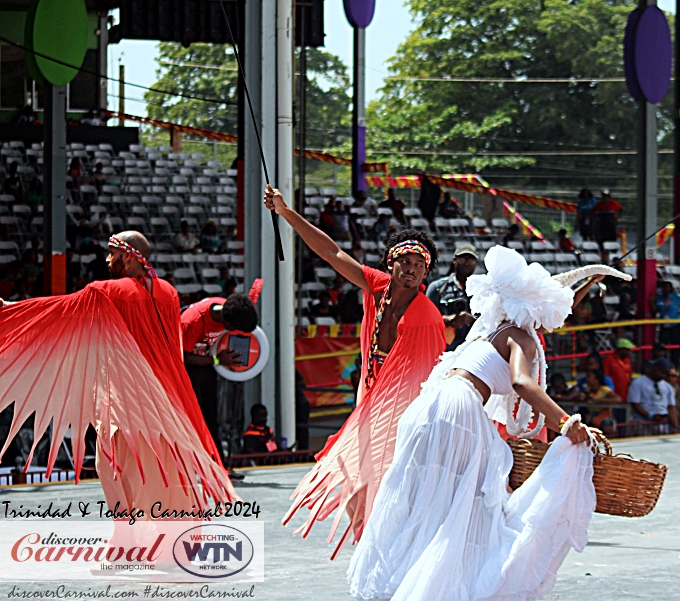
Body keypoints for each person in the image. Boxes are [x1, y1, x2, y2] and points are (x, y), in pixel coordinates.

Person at [346, 245, 597, 601]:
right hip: (459, 411)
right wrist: (566, 421)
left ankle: (403, 599)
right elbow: (520, 381)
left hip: (429, 406)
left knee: (425, 500)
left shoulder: (491, 331)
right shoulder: (522, 340)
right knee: (472, 508)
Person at [264, 188, 447, 569]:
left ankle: (388, 560)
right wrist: (286, 213)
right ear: (391, 264)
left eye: (419, 264)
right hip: (370, 392)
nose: (411, 269)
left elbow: (430, 375)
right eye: (405, 261)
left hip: (402, 404)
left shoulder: (427, 316)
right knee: (351, 472)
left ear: (426, 272)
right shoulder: (376, 286)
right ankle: (372, 547)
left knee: (381, 476)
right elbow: (331, 252)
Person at [0, 231, 235, 522]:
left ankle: (130, 540)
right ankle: (166, 537)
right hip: (167, 399)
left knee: (115, 467)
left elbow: (60, 311)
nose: (108, 259)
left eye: (112, 253)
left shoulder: (107, 291)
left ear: (128, 256)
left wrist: (12, 310)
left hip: (126, 399)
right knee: (160, 468)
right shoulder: (170, 293)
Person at [180, 291, 259, 478]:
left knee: (211, 419)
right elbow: (180, 356)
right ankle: (191, 468)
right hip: (186, 369)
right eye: (232, 329)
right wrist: (216, 359)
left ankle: (220, 468)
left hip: (207, 366)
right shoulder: (192, 321)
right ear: (228, 322)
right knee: (193, 420)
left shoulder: (228, 307)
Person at [425, 243, 479, 350]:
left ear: (476, 263)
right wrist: (446, 320)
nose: (466, 264)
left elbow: (491, 324)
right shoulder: (437, 288)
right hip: (443, 351)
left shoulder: (483, 291)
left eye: (470, 260)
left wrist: (472, 320)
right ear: (454, 260)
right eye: (462, 259)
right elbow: (425, 321)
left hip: (473, 351)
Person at [627, 358, 677, 435]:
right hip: (643, 424)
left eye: (665, 373)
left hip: (663, 425)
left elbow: (671, 407)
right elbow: (635, 404)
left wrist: (675, 426)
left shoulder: (667, 386)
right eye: (661, 372)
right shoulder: (638, 383)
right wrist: (650, 416)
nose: (663, 376)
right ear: (654, 368)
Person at [653, 280, 680, 364]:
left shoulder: (675, 298)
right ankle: (663, 363)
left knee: (676, 346)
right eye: (663, 287)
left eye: (667, 287)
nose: (664, 289)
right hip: (664, 325)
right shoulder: (658, 299)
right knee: (663, 345)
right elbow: (655, 310)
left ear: (670, 289)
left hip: (675, 325)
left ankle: (675, 364)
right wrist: (652, 302)